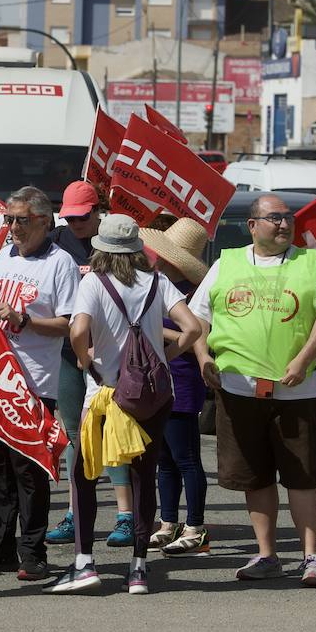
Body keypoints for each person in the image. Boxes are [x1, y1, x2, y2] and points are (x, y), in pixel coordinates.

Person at [188, 194, 316, 588]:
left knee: (302, 478)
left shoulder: (312, 262)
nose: (284, 225)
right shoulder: (228, 263)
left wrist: (302, 359)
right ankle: (266, 554)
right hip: (239, 391)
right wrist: (203, 357)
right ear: (253, 226)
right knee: (254, 477)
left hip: (301, 390)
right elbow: (198, 317)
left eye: (288, 218)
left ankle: (312, 557)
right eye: (274, 218)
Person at [46, 214, 200, 595]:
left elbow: (78, 330)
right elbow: (194, 328)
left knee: (84, 474)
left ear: (100, 249)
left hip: (104, 393)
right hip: (150, 395)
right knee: (142, 477)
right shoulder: (158, 281)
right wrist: (167, 353)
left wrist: (85, 360)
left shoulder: (93, 284)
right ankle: (139, 569)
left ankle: (84, 562)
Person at [0, 186, 80, 582]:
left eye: (21, 220)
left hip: (34, 384)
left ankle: (32, 551)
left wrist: (24, 320)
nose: (12, 228)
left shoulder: (60, 264)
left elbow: (68, 324)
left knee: (29, 471)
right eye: (8, 219)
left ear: (44, 221)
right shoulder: (3, 255)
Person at [46, 181, 137, 550]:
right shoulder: (57, 239)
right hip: (72, 354)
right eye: (69, 217)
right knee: (74, 434)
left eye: (82, 217)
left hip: (113, 358)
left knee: (113, 434)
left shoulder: (115, 241)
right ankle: (75, 513)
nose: (75, 223)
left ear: (98, 211)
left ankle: (126, 516)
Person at [140, 218, 212, 556]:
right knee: (164, 458)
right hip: (159, 378)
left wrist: (160, 337)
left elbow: (196, 331)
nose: (155, 256)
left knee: (185, 457)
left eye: (163, 254)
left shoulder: (192, 293)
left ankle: (195, 525)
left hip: (181, 379)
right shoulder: (158, 284)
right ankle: (168, 522)